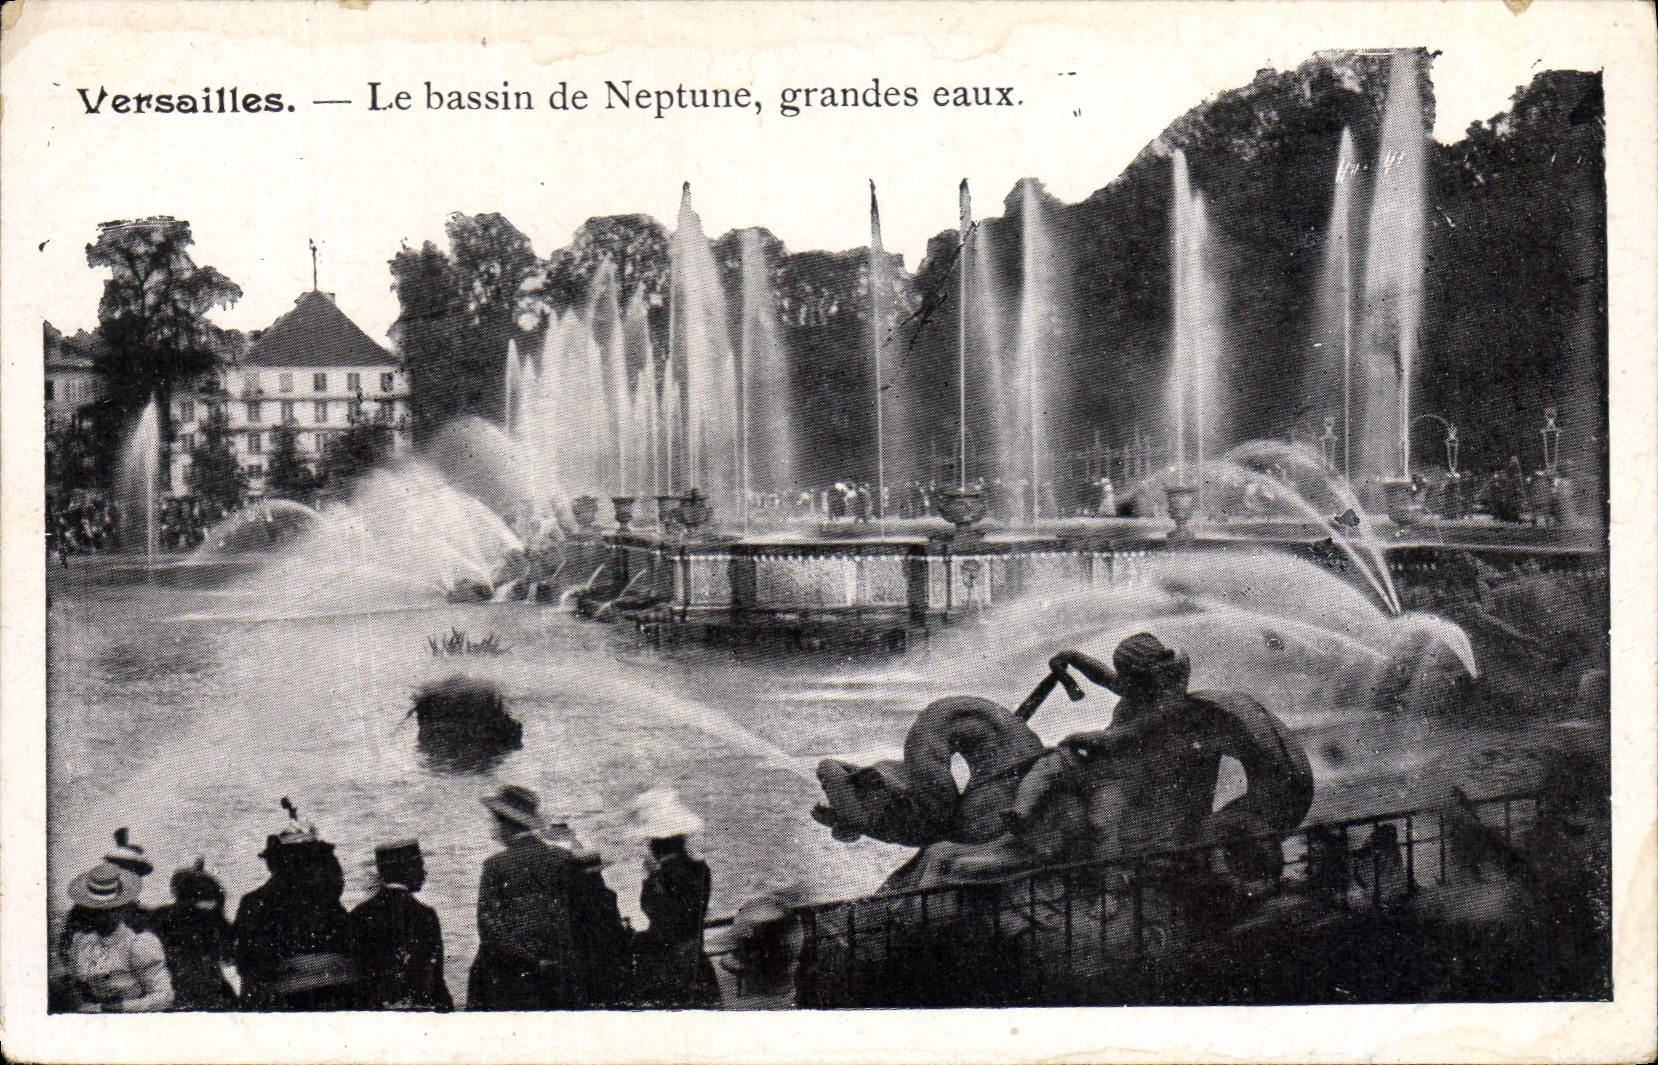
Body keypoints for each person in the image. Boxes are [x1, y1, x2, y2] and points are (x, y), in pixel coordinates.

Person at [466, 785, 590, 1010]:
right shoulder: (562, 857)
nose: (491, 827)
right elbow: (579, 916)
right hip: (563, 972)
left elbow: (489, 927)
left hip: (514, 976)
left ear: (506, 824)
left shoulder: (495, 865)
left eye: (493, 821)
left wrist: (530, 961)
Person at [232, 802, 360, 1010]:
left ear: (273, 863)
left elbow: (246, 962)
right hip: (339, 997)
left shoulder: (255, 902)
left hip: (282, 1003)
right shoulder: (329, 899)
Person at [626, 789, 720, 1008]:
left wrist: (652, 879)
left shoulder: (664, 876)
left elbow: (664, 917)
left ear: (654, 844)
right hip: (695, 957)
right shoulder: (699, 867)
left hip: (670, 965)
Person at [350, 840, 453, 1011]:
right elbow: (435, 975)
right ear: (407, 870)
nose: (424, 872)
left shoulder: (359, 913)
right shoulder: (425, 914)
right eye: (419, 865)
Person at [60, 862, 174, 1012]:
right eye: (95, 911)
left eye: (110, 910)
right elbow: (77, 984)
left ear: (122, 910)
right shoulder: (82, 942)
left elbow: (165, 996)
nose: (102, 916)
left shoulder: (138, 945)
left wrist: (122, 1007)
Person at [149, 858, 237, 1010]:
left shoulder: (159, 916)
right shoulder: (213, 917)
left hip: (182, 992)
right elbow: (230, 954)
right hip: (202, 994)